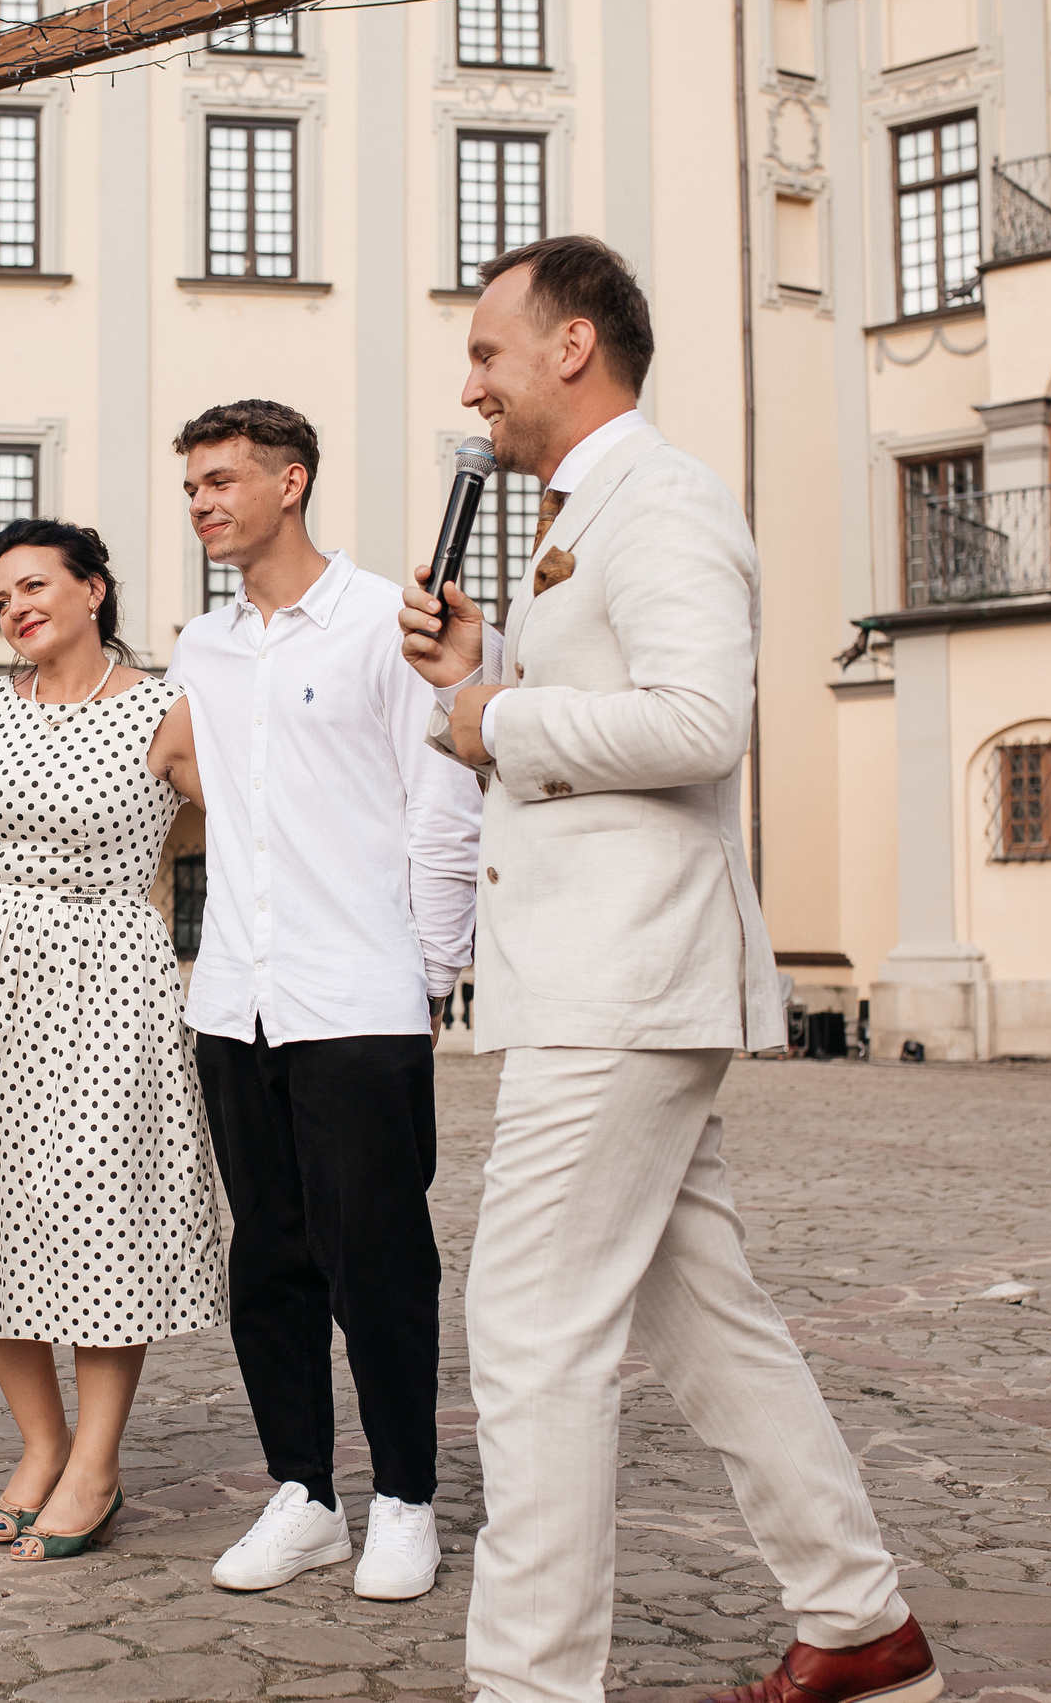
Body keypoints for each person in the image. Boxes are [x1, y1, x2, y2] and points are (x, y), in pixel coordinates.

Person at [398, 235, 937, 1703]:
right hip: (597, 970)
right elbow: (602, 704)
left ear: (574, 346)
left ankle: (532, 1684)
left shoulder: (666, 496)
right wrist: (480, 668)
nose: (474, 386)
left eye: (490, 354)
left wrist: (495, 716)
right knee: (703, 1314)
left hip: (622, 979)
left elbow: (702, 720)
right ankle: (858, 1620)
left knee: (530, 1333)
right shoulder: (585, 510)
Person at [0, 519, 224, 1563]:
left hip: (111, 984)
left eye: (34, 585)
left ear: (92, 591)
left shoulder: (164, 709)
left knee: (102, 1216)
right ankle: (40, 1442)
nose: (15, 607)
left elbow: (247, 833)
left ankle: (97, 1464)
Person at [164, 401, 482, 1602]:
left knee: (381, 1265)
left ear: (290, 481)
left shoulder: (377, 626)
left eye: (222, 479)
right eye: (190, 485)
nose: (201, 502)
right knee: (272, 1263)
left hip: (360, 993)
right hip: (236, 996)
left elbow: (442, 795)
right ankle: (302, 1493)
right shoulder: (205, 646)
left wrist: (432, 972)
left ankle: (405, 1498)